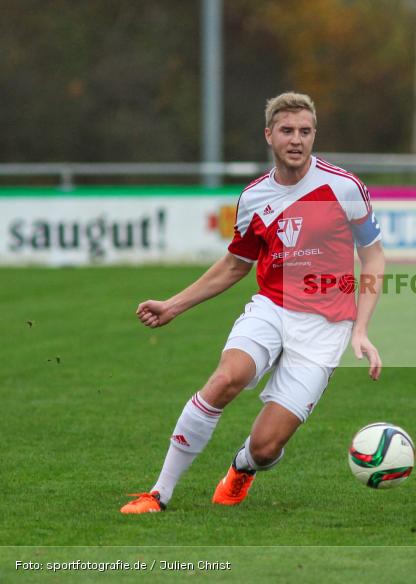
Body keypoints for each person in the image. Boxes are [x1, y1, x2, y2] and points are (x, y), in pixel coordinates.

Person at [121, 92, 385, 513]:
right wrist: (173, 305)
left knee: (265, 449)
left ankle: (242, 467)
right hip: (272, 308)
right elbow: (234, 265)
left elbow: (373, 256)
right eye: (287, 131)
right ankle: (158, 493)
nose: (296, 140)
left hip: (325, 328)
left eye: (305, 131)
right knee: (227, 379)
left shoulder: (344, 187)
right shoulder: (254, 198)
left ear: (314, 135)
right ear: (269, 135)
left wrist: (362, 329)